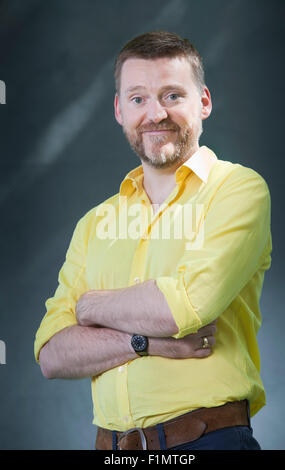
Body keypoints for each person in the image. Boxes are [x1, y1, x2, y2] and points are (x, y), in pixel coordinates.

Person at [34, 31, 272, 450]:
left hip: (209, 441)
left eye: (172, 95)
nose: (154, 114)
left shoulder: (238, 189)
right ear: (119, 110)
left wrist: (91, 307)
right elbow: (53, 354)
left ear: (204, 102)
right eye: (138, 98)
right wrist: (142, 342)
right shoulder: (94, 223)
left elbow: (187, 305)